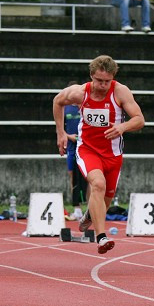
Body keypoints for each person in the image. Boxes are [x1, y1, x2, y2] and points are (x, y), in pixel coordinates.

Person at [51, 54, 145, 255]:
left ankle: (89, 217)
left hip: (113, 154)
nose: (103, 85)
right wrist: (60, 133)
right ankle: (101, 237)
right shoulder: (79, 93)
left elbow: (139, 119)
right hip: (88, 150)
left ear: (113, 78)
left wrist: (122, 127)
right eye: (99, 81)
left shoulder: (120, 92)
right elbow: (57, 101)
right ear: (91, 76)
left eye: (107, 81)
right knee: (98, 184)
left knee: (106, 199)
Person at [61, 83, 88, 221]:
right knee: (73, 177)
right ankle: (77, 208)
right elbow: (60, 129)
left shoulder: (87, 106)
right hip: (72, 148)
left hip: (87, 147)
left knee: (90, 178)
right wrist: (69, 136)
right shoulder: (65, 108)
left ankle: (90, 208)